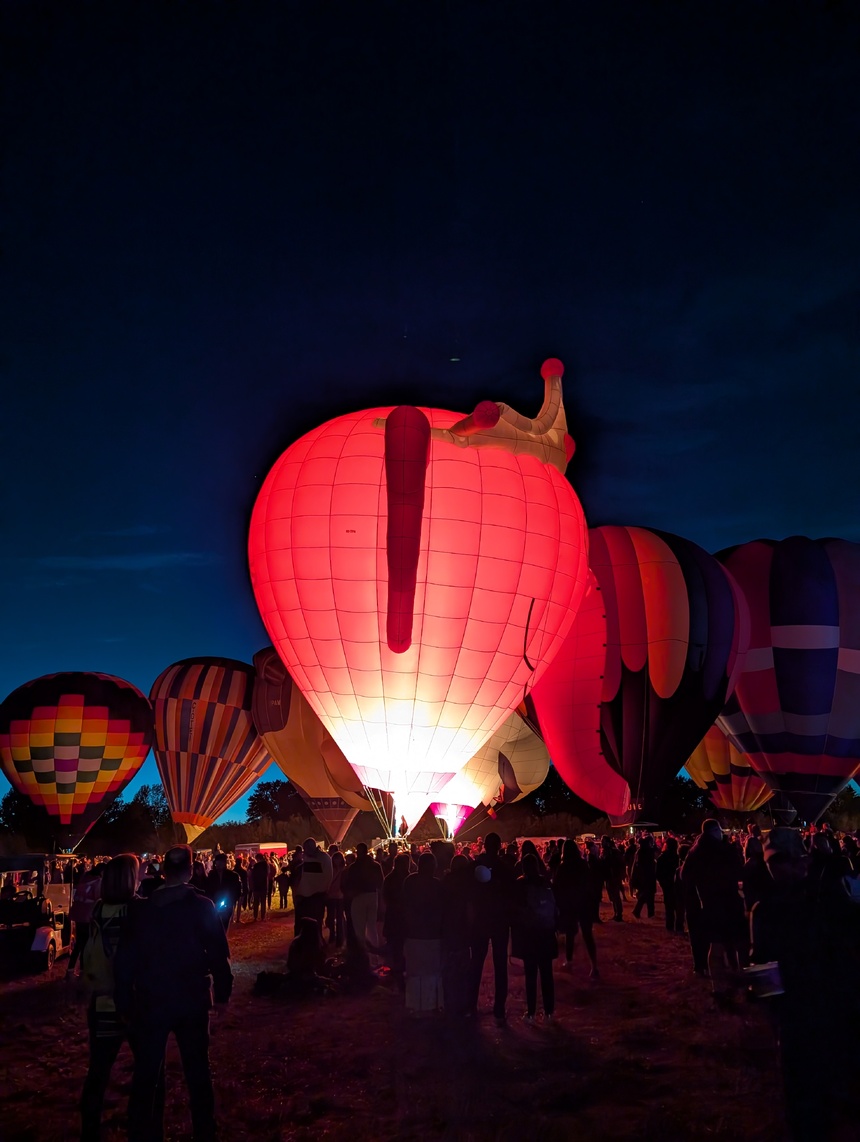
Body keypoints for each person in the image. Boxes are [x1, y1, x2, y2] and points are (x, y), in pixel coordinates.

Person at [114, 844, 233, 1142]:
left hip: (151, 998)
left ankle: (143, 1132)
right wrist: (222, 995)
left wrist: (124, 1000)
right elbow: (219, 954)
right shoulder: (202, 906)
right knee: (197, 1070)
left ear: (163, 870)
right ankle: (205, 1131)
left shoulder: (141, 910)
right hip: (191, 998)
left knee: (147, 1072)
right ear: (192, 871)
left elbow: (125, 959)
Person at [750, 827, 860, 1140]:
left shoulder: (829, 896)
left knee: (832, 1079)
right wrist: (773, 1013)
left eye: (787, 860)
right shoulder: (767, 910)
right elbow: (760, 963)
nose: (782, 867)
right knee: (803, 1091)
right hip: (798, 1010)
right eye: (775, 862)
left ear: (803, 860)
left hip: (833, 1004)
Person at [78, 854, 140, 1142]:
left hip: (101, 1002)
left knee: (99, 1070)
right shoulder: (137, 912)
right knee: (147, 1068)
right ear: (131, 879)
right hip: (133, 1004)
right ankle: (142, 1125)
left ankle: (89, 1128)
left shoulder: (98, 911)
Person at [681, 819, 746, 1005]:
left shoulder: (695, 852)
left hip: (709, 903)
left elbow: (684, 876)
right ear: (715, 830)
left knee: (716, 946)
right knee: (740, 943)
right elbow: (738, 871)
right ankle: (742, 977)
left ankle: (717, 987)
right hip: (729, 901)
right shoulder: (724, 850)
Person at [467, 832, 513, 1021]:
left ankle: (471, 1005)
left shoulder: (474, 866)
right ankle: (499, 1009)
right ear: (499, 846)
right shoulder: (504, 868)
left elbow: (467, 892)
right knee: (500, 965)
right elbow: (511, 894)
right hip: (499, 921)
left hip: (480, 920)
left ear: (484, 844)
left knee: (476, 963)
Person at [512, 853, 558, 1022]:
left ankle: (531, 1012)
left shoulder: (520, 884)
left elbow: (515, 911)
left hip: (529, 934)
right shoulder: (545, 882)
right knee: (547, 973)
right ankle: (549, 1012)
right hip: (545, 933)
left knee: (530, 974)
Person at [402, 852, 443, 1014]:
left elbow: (404, 906)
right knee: (432, 971)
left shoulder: (409, 881)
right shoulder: (437, 885)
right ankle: (431, 1004)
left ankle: (415, 1005)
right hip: (432, 934)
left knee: (414, 971)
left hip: (413, 933)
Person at [552, 839, 599, 978]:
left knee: (570, 933)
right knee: (587, 934)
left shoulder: (563, 867)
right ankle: (594, 965)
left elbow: (557, 887)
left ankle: (569, 960)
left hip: (570, 904)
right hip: (584, 902)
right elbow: (589, 882)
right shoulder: (583, 864)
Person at [342, 842, 383, 968]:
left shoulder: (354, 867)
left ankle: (363, 959)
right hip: (373, 896)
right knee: (372, 929)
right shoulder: (375, 865)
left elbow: (349, 884)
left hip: (359, 897)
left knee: (359, 930)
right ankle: (374, 958)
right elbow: (381, 882)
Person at [292, 838, 333, 930]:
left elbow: (328, 876)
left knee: (314, 923)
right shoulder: (308, 858)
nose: (305, 851)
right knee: (302, 924)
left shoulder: (323, 858)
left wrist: (324, 891)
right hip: (304, 896)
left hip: (316, 896)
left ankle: (315, 942)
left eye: (306, 848)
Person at [205, 852, 242, 931]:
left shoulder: (232, 875)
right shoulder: (212, 875)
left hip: (227, 904)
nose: (219, 865)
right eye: (217, 863)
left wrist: (232, 900)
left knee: (225, 924)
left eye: (221, 863)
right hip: (214, 903)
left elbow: (237, 889)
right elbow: (208, 888)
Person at [655, 837, 681, 933]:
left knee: (669, 907)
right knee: (678, 907)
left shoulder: (662, 858)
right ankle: (679, 926)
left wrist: (663, 883)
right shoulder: (678, 857)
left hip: (668, 885)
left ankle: (670, 926)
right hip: (676, 885)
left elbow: (658, 873)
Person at [630, 834, 658, 919]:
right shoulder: (646, 851)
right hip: (647, 875)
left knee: (648, 894)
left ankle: (650, 912)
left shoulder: (641, 851)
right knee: (647, 893)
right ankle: (639, 911)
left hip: (644, 876)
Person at [250, 853, 270, 922]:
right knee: (263, 902)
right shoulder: (266, 865)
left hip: (256, 886)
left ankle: (255, 916)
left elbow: (252, 876)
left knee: (256, 902)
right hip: (263, 885)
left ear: (258, 858)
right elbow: (267, 874)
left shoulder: (256, 866)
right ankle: (263, 916)